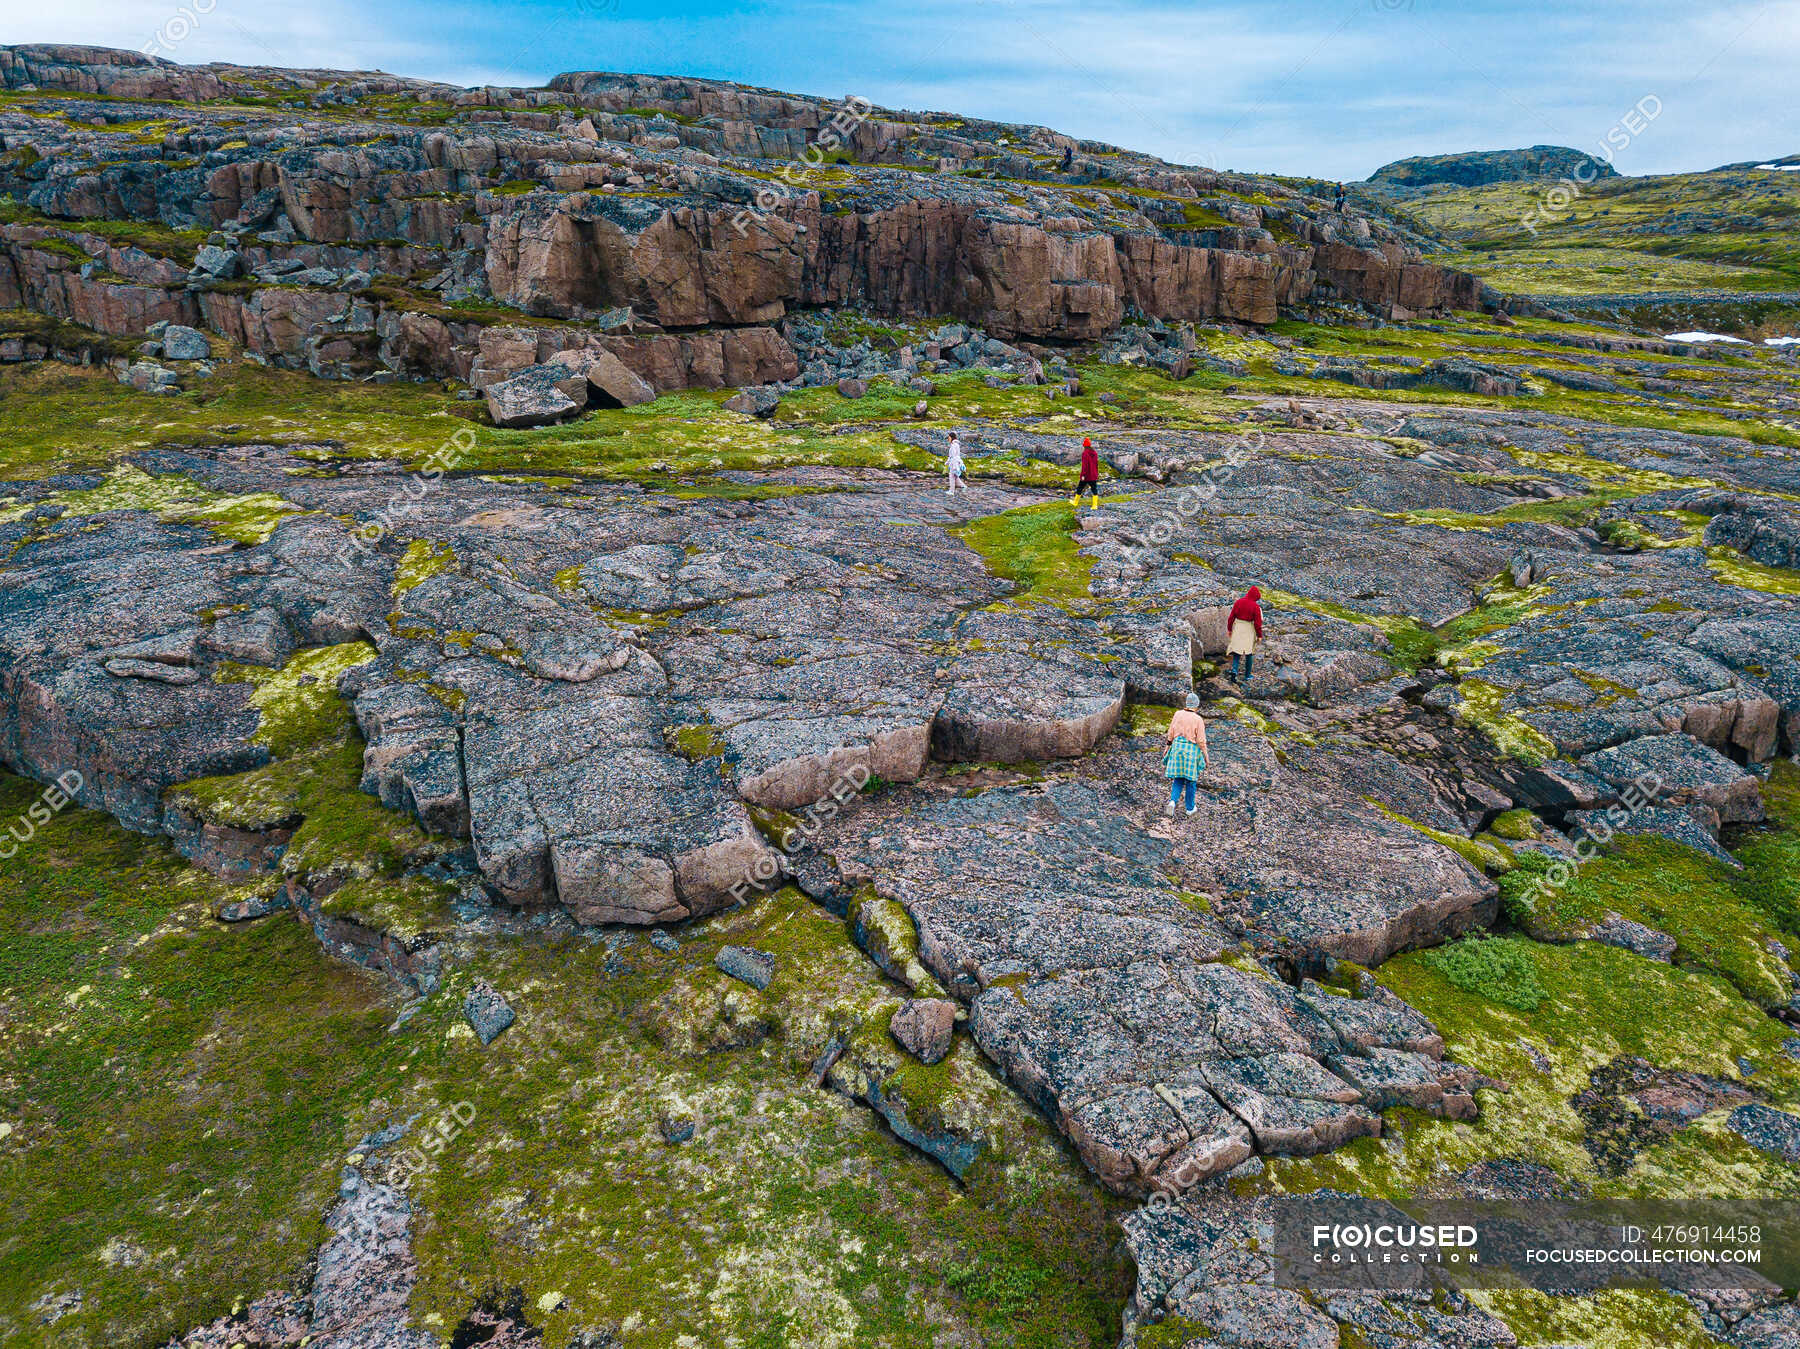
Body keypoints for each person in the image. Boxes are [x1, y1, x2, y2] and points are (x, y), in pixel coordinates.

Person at [1162, 692, 1208, 817]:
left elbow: (1170, 733)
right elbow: (1201, 741)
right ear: (1196, 705)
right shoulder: (1198, 719)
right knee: (1191, 781)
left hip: (1177, 748)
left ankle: (1172, 802)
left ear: (1187, 703)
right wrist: (1206, 757)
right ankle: (1190, 808)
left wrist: (1167, 747)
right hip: (1190, 751)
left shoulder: (1177, 714)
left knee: (1178, 777)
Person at [1226, 586, 1263, 685]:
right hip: (1249, 629)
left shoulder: (1238, 602)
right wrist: (1259, 635)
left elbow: (1231, 617)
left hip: (1238, 627)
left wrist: (1229, 629)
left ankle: (1234, 670)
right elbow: (1257, 623)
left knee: (1237, 651)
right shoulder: (1255, 607)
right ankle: (1247, 675)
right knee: (1249, 653)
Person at [1072, 436, 1100, 511]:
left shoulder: (1085, 453)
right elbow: (1096, 464)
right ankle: (1095, 505)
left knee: (1080, 488)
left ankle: (1075, 502)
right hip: (1093, 475)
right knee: (1094, 489)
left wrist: (1083, 475)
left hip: (1086, 476)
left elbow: (1085, 466)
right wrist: (1096, 474)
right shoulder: (1094, 453)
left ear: (1084, 445)